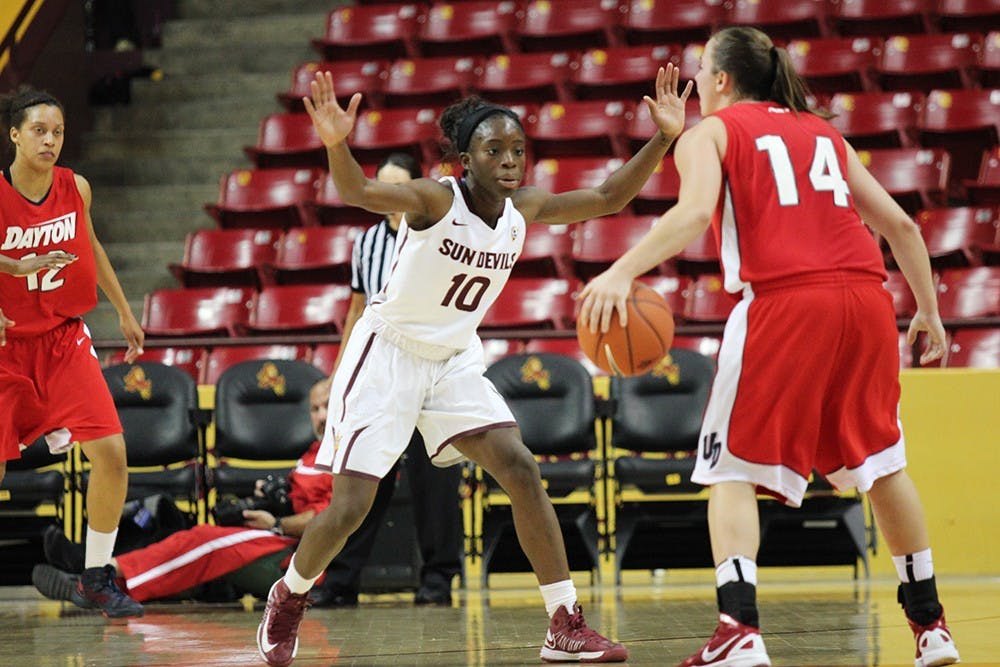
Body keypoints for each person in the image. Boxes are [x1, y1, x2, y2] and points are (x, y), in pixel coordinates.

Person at [256, 65, 692, 667]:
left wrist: (664, 138)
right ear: (466, 159)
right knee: (352, 506)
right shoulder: (437, 198)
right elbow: (359, 192)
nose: (511, 160)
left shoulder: (524, 207)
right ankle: (290, 593)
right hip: (389, 355)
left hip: (454, 357)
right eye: (495, 150)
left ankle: (563, 622)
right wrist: (337, 143)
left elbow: (608, 197)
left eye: (518, 149)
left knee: (519, 465)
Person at [579, 26, 960, 667]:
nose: (695, 82)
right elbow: (896, 223)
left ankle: (739, 630)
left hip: (787, 302)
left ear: (722, 80)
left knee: (728, 469)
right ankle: (931, 627)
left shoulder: (714, 133)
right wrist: (928, 310)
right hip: (867, 301)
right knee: (882, 464)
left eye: (701, 70)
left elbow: (695, 215)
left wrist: (622, 269)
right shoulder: (823, 133)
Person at [0, 86, 145, 618]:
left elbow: (92, 246)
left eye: (57, 131)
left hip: (63, 340)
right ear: (14, 134)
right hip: (7, 348)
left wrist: (124, 310)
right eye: (39, 130)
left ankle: (95, 577)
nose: (50, 140)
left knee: (112, 455)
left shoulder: (75, 187)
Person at [313, 152, 464, 608]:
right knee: (362, 475)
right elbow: (356, 311)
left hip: (430, 366)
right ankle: (340, 581)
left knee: (433, 481)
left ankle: (438, 580)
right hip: (379, 370)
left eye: (398, 186)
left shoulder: (439, 230)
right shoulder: (366, 243)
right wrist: (338, 374)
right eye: (382, 188)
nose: (389, 197)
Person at [33, 378, 335, 604]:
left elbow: (330, 520)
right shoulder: (313, 452)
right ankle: (95, 574)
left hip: (306, 556)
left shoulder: (343, 452)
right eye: (314, 409)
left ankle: (96, 576)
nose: (321, 416)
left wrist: (278, 523)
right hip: (285, 537)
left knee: (203, 540)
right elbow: (302, 500)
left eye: (328, 406)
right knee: (173, 526)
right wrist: (273, 496)